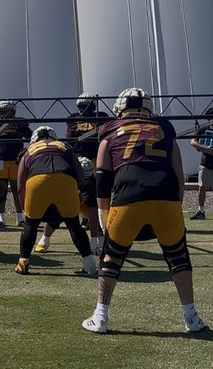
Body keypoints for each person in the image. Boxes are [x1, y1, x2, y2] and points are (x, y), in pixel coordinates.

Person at [82, 87, 207, 334]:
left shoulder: (109, 129)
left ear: (121, 109)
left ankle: (101, 317)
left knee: (112, 258)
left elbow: (102, 177)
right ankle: (191, 317)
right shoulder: (163, 128)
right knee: (179, 257)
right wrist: (175, 205)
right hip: (167, 196)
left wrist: (102, 214)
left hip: (128, 196)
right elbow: (177, 172)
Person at [14, 127, 98, 276]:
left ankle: (23, 262)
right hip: (65, 179)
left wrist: (24, 206)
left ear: (34, 139)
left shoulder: (29, 150)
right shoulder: (64, 146)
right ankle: (90, 264)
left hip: (36, 180)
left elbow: (20, 184)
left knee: (31, 224)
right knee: (74, 224)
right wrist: (76, 190)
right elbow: (80, 175)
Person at [34, 154, 101, 255]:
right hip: (69, 200)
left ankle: (98, 241)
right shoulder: (64, 180)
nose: (83, 182)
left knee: (98, 219)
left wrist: (94, 240)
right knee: (57, 215)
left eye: (86, 179)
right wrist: (76, 202)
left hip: (85, 204)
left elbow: (93, 211)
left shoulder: (92, 185)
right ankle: (44, 239)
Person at [0, 100, 32, 228]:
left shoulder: (20, 123)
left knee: (17, 189)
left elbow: (33, 138)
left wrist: (26, 153)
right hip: (0, 160)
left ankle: (19, 218)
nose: (6, 114)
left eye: (8, 111)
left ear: (13, 112)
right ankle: (1, 218)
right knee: (1, 189)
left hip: (16, 161)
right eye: (3, 112)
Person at [66, 93, 110, 162]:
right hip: (79, 155)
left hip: (97, 154)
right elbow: (70, 139)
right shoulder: (74, 119)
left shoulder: (101, 117)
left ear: (92, 107)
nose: (82, 109)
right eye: (80, 106)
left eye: (85, 106)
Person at [188, 103, 213, 220]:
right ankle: (200, 211)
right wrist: (206, 149)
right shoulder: (204, 128)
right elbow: (193, 142)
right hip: (206, 163)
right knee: (202, 187)